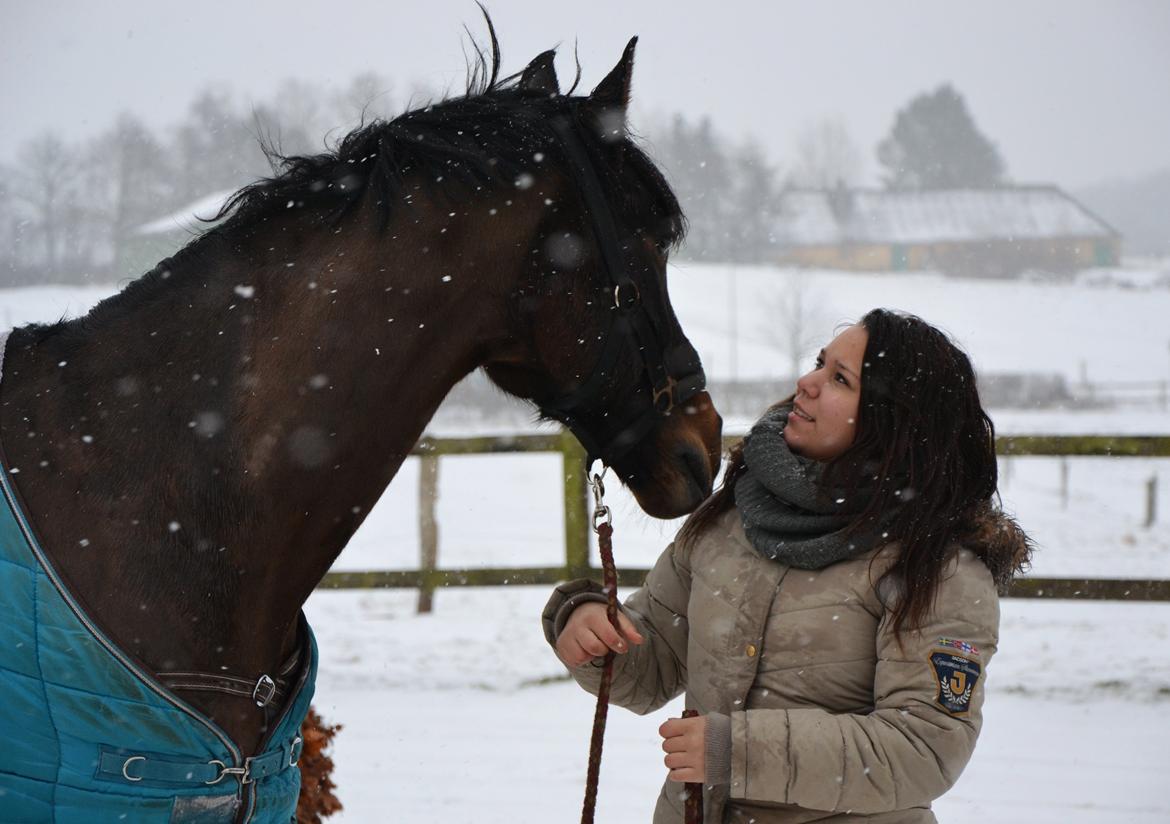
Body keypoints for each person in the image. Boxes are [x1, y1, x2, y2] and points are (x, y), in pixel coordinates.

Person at [542, 309, 1032, 823]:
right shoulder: (732, 517)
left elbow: (922, 750)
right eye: (820, 363)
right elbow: (652, 668)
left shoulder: (938, 568)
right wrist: (592, 631)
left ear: (895, 419)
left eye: (839, 378)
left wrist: (735, 752)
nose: (807, 382)